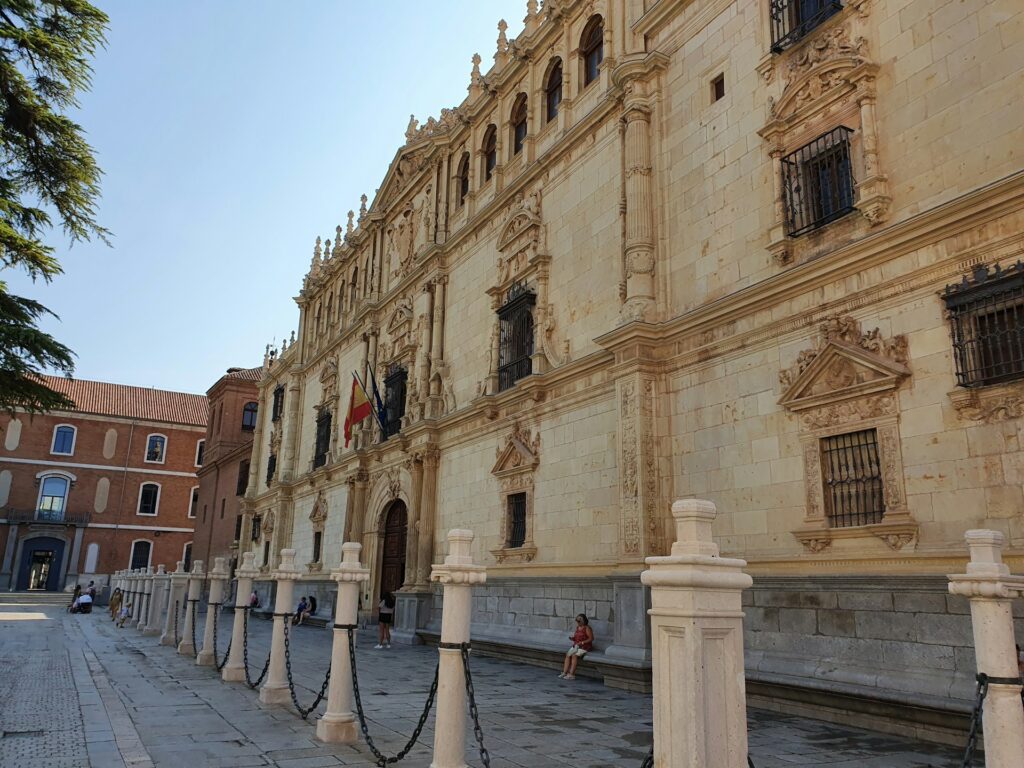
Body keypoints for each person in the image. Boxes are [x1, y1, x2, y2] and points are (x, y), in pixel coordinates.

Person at [559, 614, 594, 680]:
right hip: (577, 645)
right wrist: (573, 638)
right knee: (568, 654)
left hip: (584, 646)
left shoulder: (587, 628)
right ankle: (564, 672)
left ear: (583, 621)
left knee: (574, 655)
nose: (577, 622)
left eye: (579, 621)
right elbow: (577, 637)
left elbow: (591, 638)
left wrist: (582, 642)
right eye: (577, 621)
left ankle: (572, 674)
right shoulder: (578, 628)